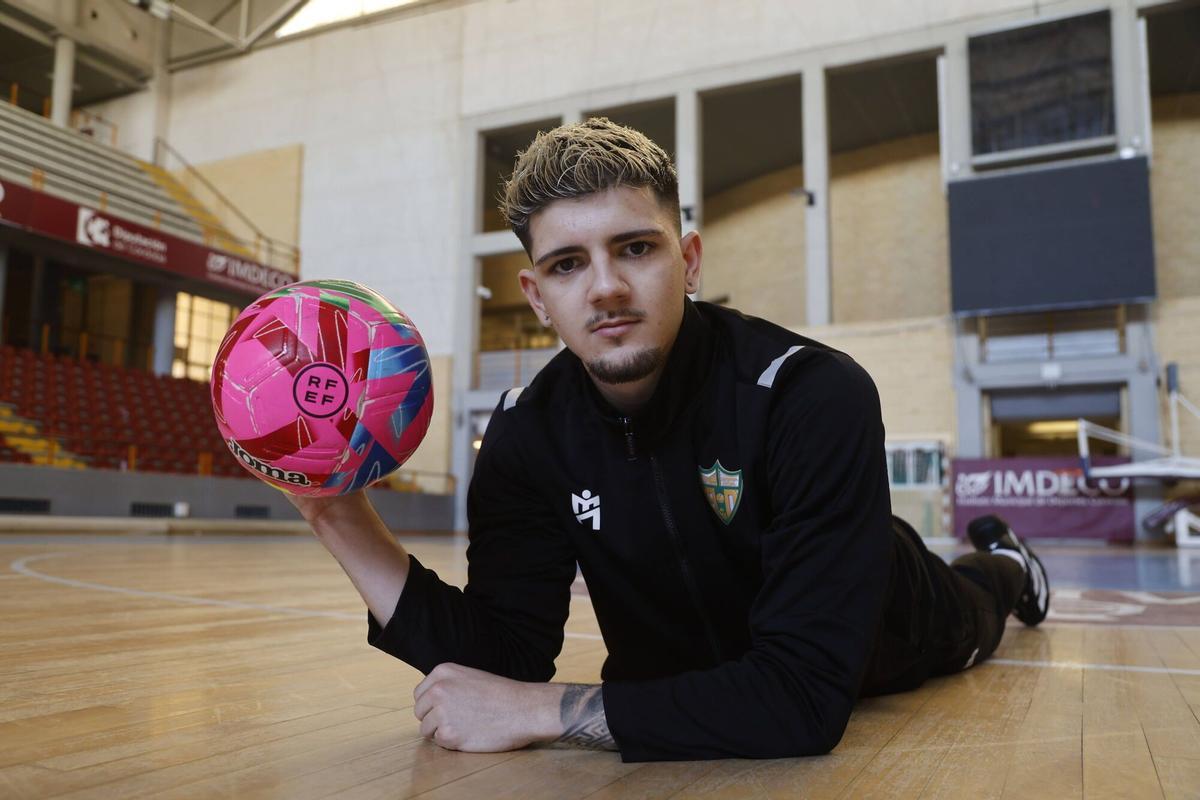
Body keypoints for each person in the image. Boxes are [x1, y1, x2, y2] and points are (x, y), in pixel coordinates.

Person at [289, 117, 1050, 762]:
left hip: (899, 623)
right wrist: (335, 513)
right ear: (538, 297)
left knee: (980, 601)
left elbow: (803, 700)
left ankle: (1008, 564)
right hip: (693, 677)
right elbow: (505, 659)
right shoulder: (527, 436)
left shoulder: (811, 392)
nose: (606, 287)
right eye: (566, 264)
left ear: (687, 261)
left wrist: (545, 712)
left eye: (636, 248)